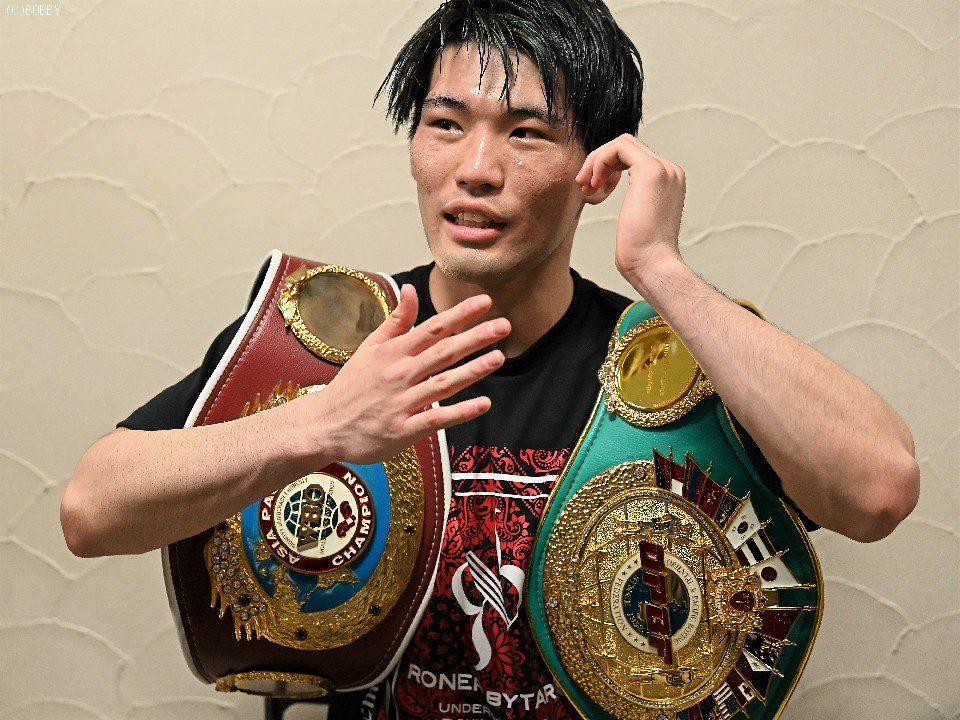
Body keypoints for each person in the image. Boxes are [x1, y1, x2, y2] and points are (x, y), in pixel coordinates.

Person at [61, 0, 920, 717]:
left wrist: (662, 271)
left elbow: (878, 490)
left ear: (597, 167)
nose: (475, 169)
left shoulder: (672, 366)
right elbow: (93, 511)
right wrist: (318, 425)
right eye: (445, 125)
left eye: (526, 133)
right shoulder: (327, 341)